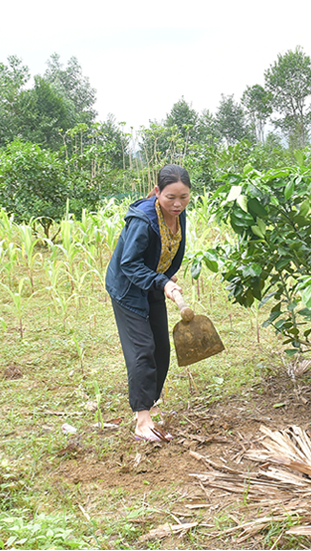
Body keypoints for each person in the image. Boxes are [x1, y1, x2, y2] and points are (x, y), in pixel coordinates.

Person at [105, 165, 193, 442]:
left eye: (184, 197)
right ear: (157, 192)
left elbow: (168, 247)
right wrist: (163, 282)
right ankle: (142, 420)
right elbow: (128, 263)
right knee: (142, 349)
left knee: (161, 350)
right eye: (170, 198)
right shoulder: (143, 220)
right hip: (129, 287)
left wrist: (165, 275)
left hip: (154, 283)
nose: (177, 204)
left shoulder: (179, 214)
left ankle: (149, 402)